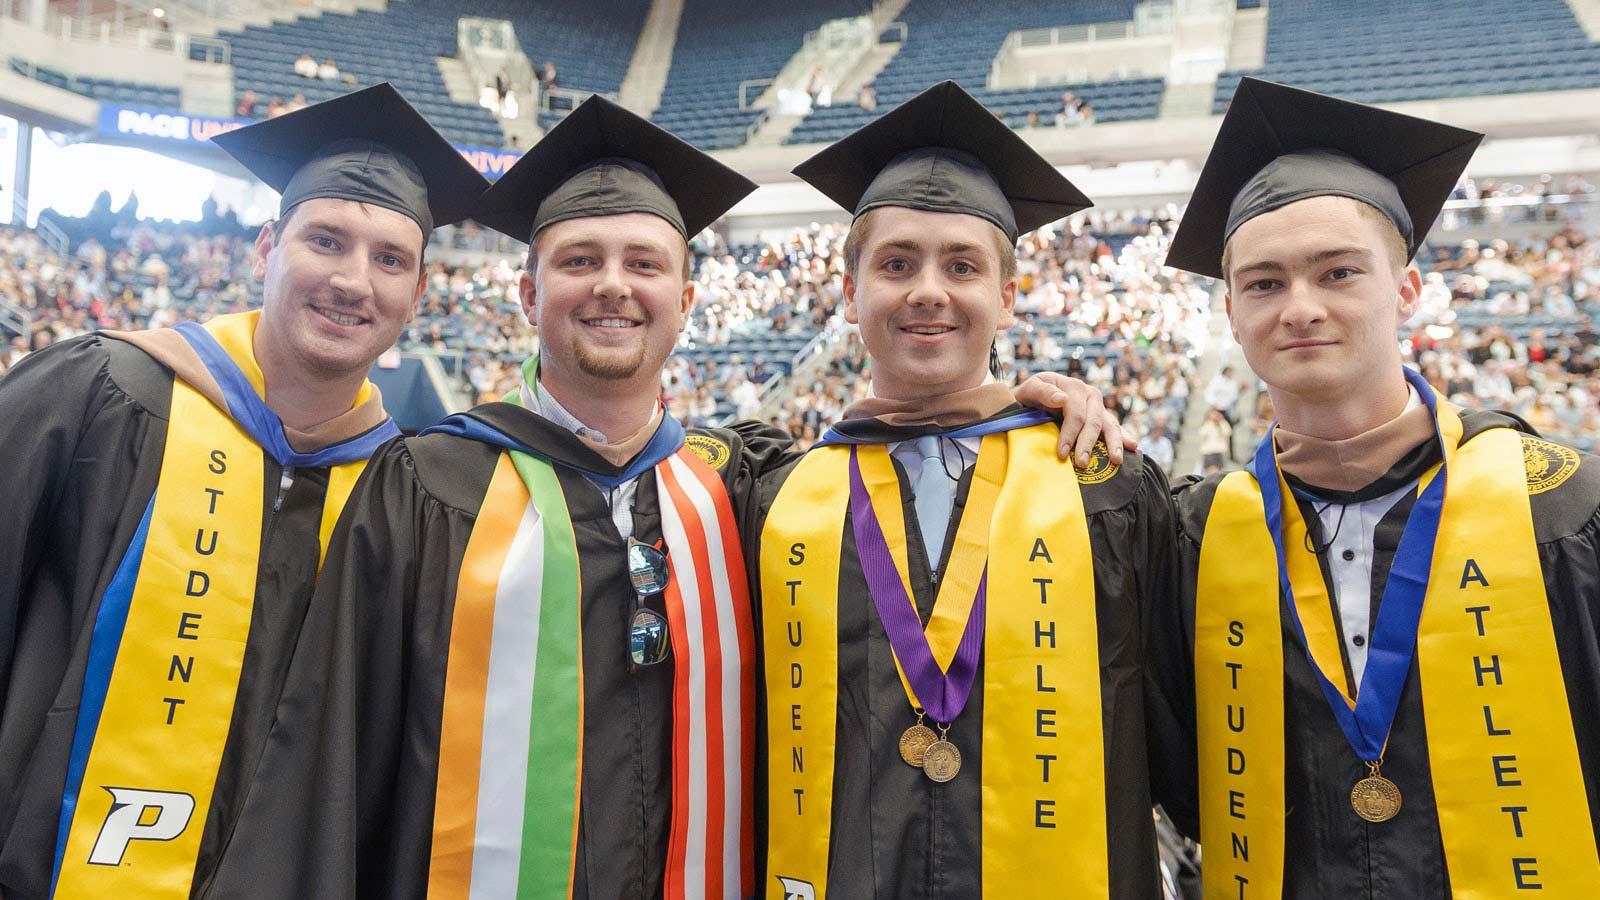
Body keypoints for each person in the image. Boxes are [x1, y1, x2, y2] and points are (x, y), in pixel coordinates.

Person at [0, 82, 487, 899]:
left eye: (390, 259)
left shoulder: (402, 497)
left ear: (420, 294)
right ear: (266, 249)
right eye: (326, 241)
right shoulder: (104, 396)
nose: (354, 281)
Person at [1155, 77, 1600, 898]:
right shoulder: (1195, 535)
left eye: (1338, 273)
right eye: (1263, 283)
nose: (1300, 308)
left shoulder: (1563, 506)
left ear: (1406, 289)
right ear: (1230, 311)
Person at [760, 80, 1178, 899]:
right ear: (850, 295)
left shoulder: (1105, 489)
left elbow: (1171, 724)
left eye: (962, 265)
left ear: (1008, 297)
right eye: (895, 264)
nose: (928, 290)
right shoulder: (779, 499)